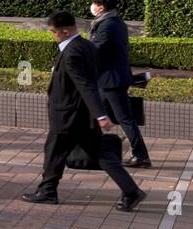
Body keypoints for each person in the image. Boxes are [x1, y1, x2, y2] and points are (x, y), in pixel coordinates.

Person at [21, 11, 145, 210]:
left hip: (68, 115)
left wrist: (101, 115)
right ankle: (131, 191)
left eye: (54, 32)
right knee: (101, 154)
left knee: (54, 151)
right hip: (82, 115)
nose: (53, 35)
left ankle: (48, 191)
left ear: (65, 31)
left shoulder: (71, 53)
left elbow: (85, 85)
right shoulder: (86, 46)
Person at [89, 0, 150, 168]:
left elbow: (96, 49)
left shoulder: (108, 25)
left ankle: (141, 156)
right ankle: (94, 150)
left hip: (111, 80)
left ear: (101, 6)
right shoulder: (112, 22)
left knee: (124, 119)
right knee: (97, 115)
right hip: (108, 79)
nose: (92, 6)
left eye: (95, 3)